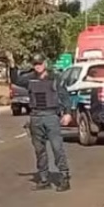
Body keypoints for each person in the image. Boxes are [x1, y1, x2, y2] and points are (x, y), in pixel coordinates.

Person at [14, 55, 74, 191]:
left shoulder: (55, 78)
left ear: (45, 63)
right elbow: (16, 80)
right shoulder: (29, 78)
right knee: (39, 150)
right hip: (35, 116)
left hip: (51, 116)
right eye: (35, 64)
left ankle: (64, 177)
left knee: (57, 148)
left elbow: (64, 96)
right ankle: (44, 178)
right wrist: (12, 63)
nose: (38, 66)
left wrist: (68, 113)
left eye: (40, 63)